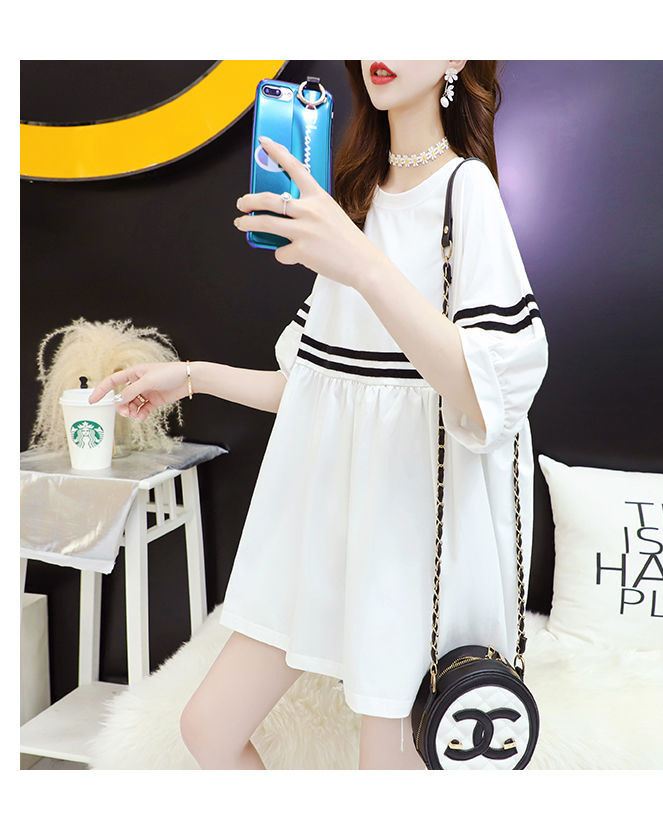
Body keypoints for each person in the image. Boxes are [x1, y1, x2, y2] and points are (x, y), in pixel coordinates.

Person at [88, 60, 549, 770]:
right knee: (208, 729)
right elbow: (321, 385)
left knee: (382, 775)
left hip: (414, 542)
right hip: (326, 527)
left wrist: (361, 261)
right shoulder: (353, 200)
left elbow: (488, 393)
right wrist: (191, 376)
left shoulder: (466, 192)